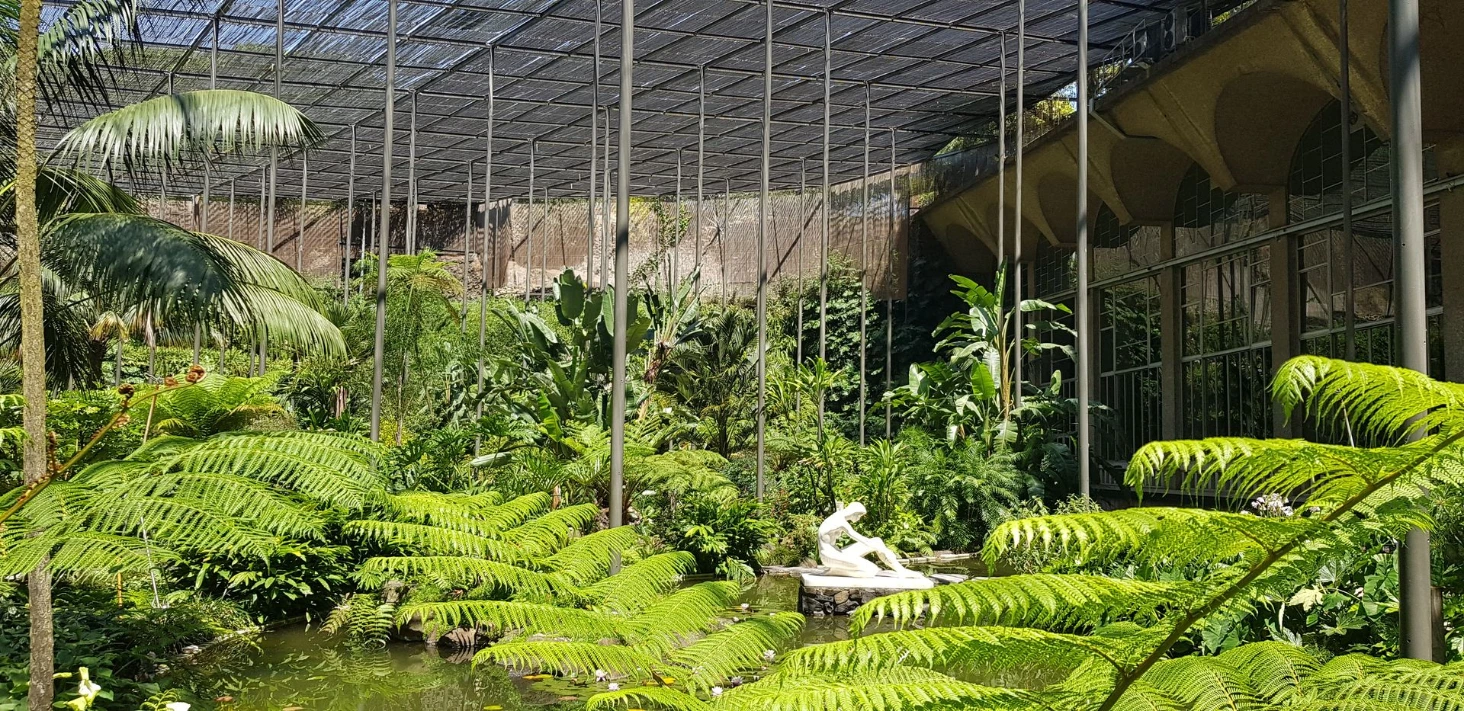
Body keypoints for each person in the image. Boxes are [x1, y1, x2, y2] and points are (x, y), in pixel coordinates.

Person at [816, 502, 923, 578]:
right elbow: (859, 538)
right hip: (829, 556)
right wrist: (884, 550)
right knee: (871, 570)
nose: (859, 519)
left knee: (877, 541)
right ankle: (836, 571)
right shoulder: (839, 521)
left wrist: (880, 547)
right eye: (859, 516)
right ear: (854, 513)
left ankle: (901, 570)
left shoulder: (840, 517)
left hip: (837, 552)